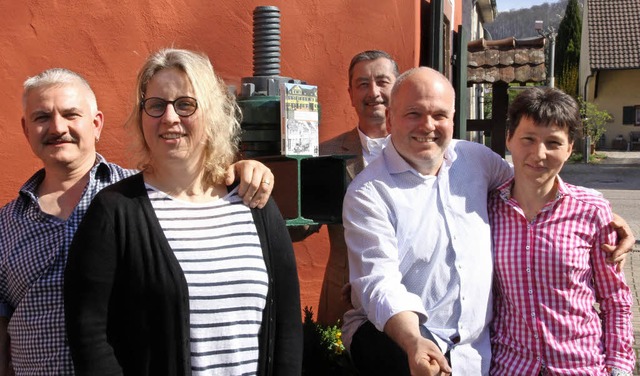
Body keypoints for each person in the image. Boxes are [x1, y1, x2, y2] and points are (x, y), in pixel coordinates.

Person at [341, 67, 635, 375]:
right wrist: (413, 340)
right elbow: (380, 284)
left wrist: (599, 218)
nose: (428, 126)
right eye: (414, 113)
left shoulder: (475, 159)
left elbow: (531, 184)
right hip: (406, 341)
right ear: (390, 119)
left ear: (452, 118)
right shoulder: (368, 193)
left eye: (439, 114)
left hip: (480, 351)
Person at [0, 67, 275, 375]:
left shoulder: (139, 199)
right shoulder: (6, 224)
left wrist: (243, 170)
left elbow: (198, 192)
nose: (57, 127)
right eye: (42, 117)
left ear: (96, 124)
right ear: (25, 129)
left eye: (70, 114)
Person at [63, 48, 302, 376]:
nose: (170, 118)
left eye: (185, 104)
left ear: (212, 115)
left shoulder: (254, 204)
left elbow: (287, 327)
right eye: (156, 105)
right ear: (142, 117)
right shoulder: (114, 212)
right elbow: (88, 332)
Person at [489, 87, 635, 375]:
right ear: (509, 139)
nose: (538, 154)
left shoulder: (592, 210)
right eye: (528, 139)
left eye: (553, 142)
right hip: (510, 365)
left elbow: (615, 299)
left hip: (579, 365)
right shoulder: (488, 208)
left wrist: (619, 367)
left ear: (570, 148)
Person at [294, 50, 399, 325]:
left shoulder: (422, 151)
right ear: (351, 93)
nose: (373, 92)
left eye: (382, 81)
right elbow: (299, 228)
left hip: (410, 297)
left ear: (398, 87)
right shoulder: (326, 155)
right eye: (363, 84)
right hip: (344, 300)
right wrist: (285, 175)